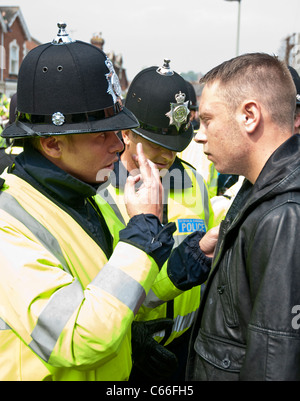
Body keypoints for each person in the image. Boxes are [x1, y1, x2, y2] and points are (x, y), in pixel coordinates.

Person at [0, 23, 178, 381]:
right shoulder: (8, 226)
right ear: (52, 144)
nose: (120, 144)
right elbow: (78, 337)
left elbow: (116, 288)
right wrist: (141, 237)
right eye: (102, 134)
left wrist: (182, 269)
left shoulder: (87, 196)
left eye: (119, 130)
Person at [186, 52, 300, 381]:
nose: (199, 134)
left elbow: (275, 361)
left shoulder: (284, 216)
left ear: (249, 115)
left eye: (207, 119)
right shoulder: (261, 190)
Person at [105, 59, 216, 380]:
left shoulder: (194, 181)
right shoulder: (101, 188)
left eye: (175, 146)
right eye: (157, 145)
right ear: (126, 131)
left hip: (183, 348)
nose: (168, 156)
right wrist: (129, 336)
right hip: (123, 350)